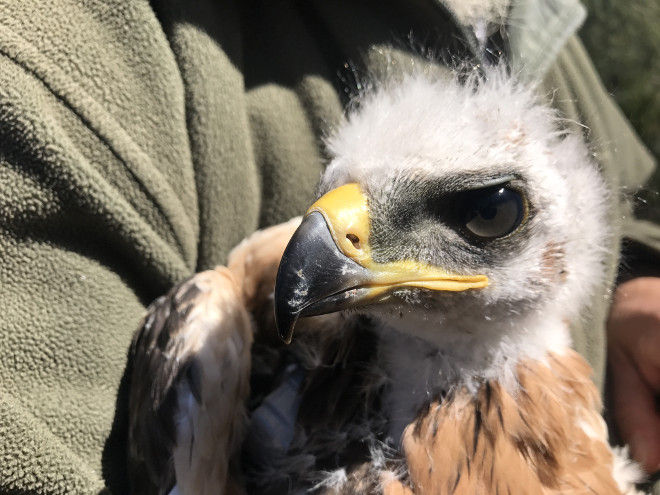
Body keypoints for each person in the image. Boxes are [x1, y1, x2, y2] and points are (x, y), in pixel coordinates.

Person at [0, 0, 657, 493]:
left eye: (490, 214)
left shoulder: (550, 20)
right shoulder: (58, 53)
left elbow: (634, 198)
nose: (337, 239)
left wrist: (642, 274)